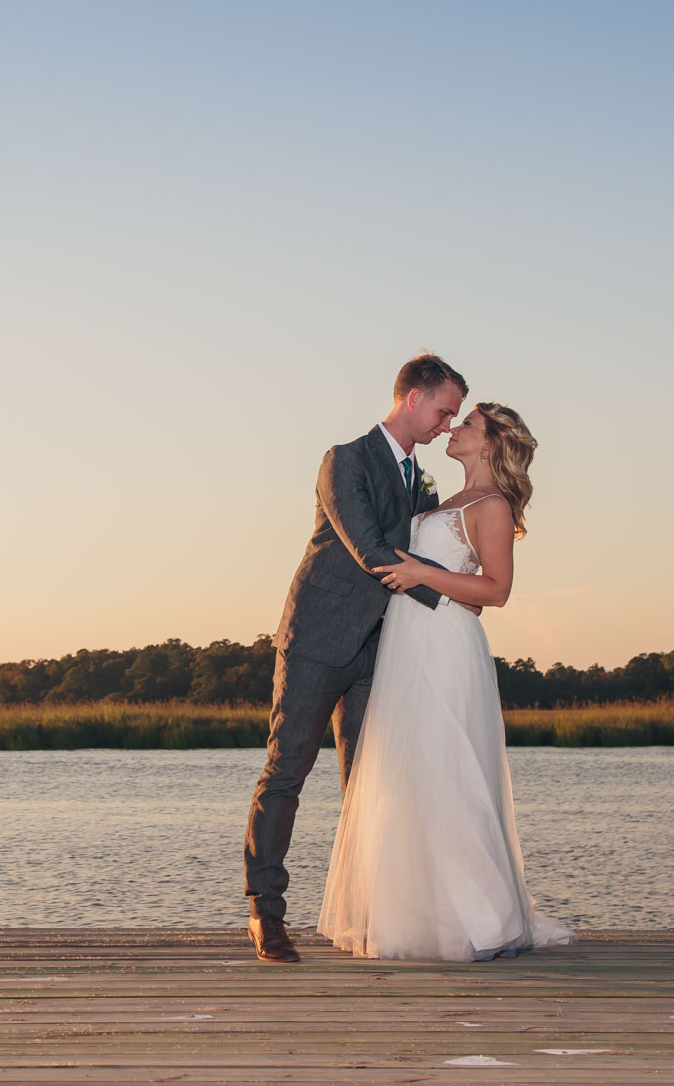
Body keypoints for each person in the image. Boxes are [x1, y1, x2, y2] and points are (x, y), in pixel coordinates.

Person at [318, 401, 573, 961]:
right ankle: (420, 915)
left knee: (448, 772)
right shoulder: (443, 500)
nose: (453, 430)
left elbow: (496, 590)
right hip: (407, 644)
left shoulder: (493, 505)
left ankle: (488, 918)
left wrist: (419, 573)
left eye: (468, 424)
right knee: (413, 777)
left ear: (490, 443)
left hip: (445, 648)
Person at [242, 354, 468, 963]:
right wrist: (457, 598)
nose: (448, 424)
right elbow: (370, 549)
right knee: (286, 772)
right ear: (414, 397)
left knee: (370, 785)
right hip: (317, 640)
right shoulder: (343, 460)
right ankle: (266, 916)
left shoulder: (420, 477)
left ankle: (366, 913)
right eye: (445, 410)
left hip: (381, 648)